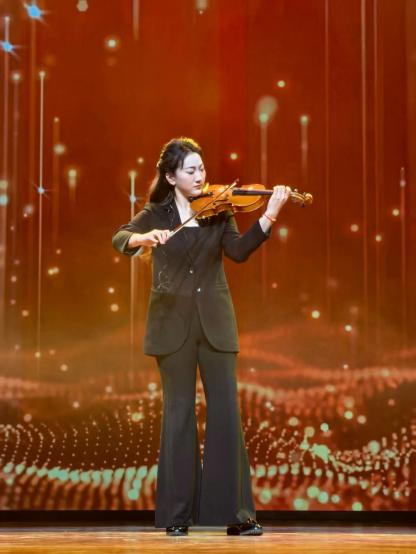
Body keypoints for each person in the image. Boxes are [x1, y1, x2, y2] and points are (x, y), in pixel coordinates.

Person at [112, 137, 290, 536]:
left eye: (202, 169)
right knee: (178, 415)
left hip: (215, 324)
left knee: (226, 412)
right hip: (171, 326)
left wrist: (270, 215)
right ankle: (177, 516)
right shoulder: (155, 214)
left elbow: (238, 252)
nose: (200, 177)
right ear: (171, 177)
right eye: (190, 171)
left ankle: (238, 516)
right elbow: (120, 237)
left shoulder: (219, 210)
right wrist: (143, 238)